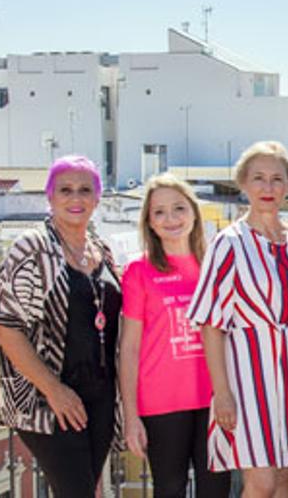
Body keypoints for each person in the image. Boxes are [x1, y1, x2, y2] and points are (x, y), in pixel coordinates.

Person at [0, 155, 124, 496]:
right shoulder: (32, 248)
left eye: (85, 190)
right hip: (47, 399)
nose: (75, 199)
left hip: (100, 397)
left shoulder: (102, 251)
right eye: (65, 190)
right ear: (50, 197)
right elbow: (5, 327)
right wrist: (54, 390)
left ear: (97, 199)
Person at [187, 141, 288, 498]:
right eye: (258, 178)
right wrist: (222, 393)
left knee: (284, 481)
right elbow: (211, 324)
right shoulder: (228, 243)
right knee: (261, 484)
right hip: (247, 380)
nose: (268, 187)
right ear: (243, 184)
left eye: (277, 178)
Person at [119, 174, 232, 498]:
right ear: (149, 223)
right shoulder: (139, 271)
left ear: (195, 213)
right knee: (169, 489)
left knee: (216, 489)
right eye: (159, 212)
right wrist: (131, 417)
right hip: (161, 404)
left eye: (179, 208)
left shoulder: (214, 266)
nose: (171, 219)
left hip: (215, 400)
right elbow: (129, 348)